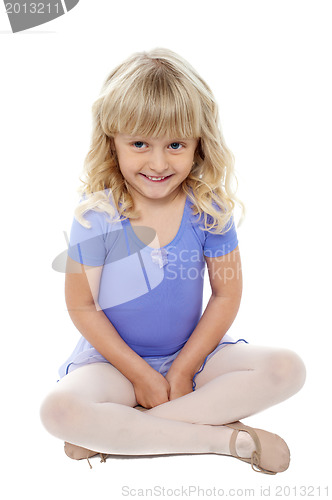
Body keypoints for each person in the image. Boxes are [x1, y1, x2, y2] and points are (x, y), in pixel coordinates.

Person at [40, 48, 306, 474]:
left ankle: (126, 434)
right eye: (140, 143)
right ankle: (225, 440)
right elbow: (82, 306)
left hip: (193, 357)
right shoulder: (97, 216)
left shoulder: (209, 209)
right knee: (59, 411)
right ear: (113, 141)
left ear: (199, 143)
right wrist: (141, 376)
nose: (158, 163)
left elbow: (226, 294)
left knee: (287, 368)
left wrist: (183, 369)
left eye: (176, 144)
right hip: (113, 366)